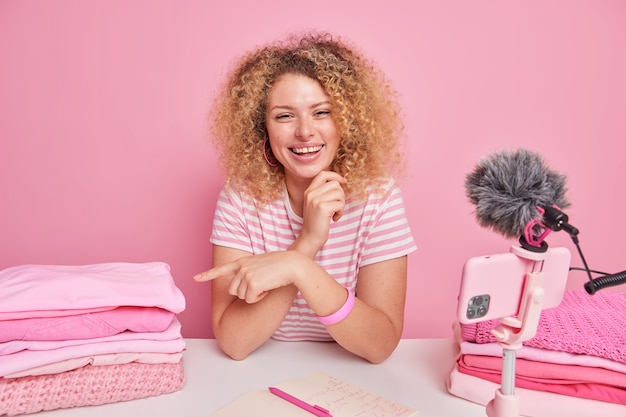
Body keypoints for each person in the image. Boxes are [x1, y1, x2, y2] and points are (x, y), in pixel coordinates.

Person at [194, 31, 416, 364]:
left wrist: (295, 266)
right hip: (262, 369)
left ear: (347, 120)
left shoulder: (378, 198)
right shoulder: (240, 199)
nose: (304, 131)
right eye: (284, 116)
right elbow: (235, 342)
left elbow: (379, 346)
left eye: (322, 112)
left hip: (350, 375)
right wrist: (307, 243)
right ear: (262, 128)